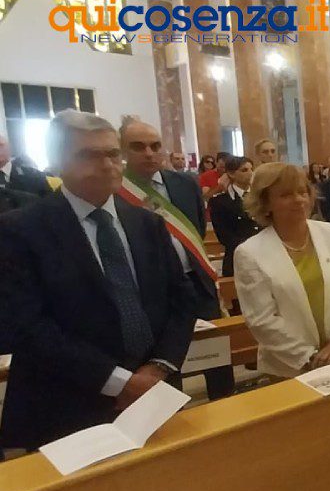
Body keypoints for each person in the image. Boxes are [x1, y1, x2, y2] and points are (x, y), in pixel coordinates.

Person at [0, 110, 195, 452]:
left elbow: (181, 300)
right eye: (88, 155)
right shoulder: (21, 230)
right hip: (67, 402)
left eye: (112, 154)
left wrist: (157, 368)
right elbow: (27, 326)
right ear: (57, 162)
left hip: (154, 394)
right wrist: (119, 382)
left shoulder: (146, 223)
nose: (107, 164)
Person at [120, 119, 232, 400]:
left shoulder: (184, 183)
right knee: (166, 365)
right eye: (138, 147)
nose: (148, 153)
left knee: (216, 358)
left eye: (155, 146)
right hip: (152, 293)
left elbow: (193, 229)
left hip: (196, 282)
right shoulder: (117, 190)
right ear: (121, 151)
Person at [235, 163, 330, 377]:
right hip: (289, 367)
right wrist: (309, 357)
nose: (299, 200)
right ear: (265, 203)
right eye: (286, 195)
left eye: (303, 192)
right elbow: (262, 320)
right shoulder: (249, 252)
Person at [209, 156, 260, 278]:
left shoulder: (260, 197)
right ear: (231, 174)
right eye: (244, 170)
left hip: (264, 256)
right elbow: (225, 236)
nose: (250, 173)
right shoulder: (220, 201)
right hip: (238, 258)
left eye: (251, 169)